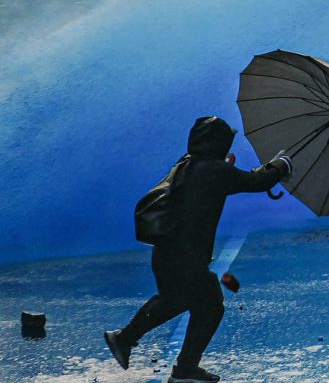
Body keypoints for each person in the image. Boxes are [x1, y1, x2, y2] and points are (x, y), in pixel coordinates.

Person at [104, 116, 293, 383]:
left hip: (168, 253)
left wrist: (230, 169)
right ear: (217, 143)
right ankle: (181, 368)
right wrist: (281, 166)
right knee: (210, 306)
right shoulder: (214, 171)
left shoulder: (187, 164)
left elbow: (210, 187)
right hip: (186, 257)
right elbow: (256, 182)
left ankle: (126, 339)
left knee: (177, 301)